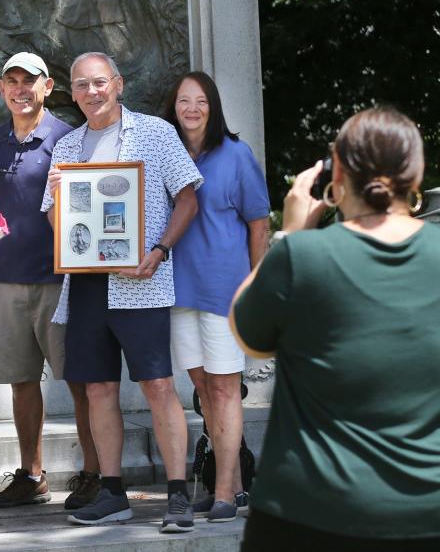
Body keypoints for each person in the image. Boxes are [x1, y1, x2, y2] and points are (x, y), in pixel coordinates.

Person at [231, 108, 440, 551]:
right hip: (425, 512)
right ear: (416, 174)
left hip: (308, 514)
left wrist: (289, 234)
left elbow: (246, 334)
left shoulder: (302, 257)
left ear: (337, 170)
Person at [42, 52, 202, 532]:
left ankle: (177, 495)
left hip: (142, 281)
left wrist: (160, 248)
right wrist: (58, 195)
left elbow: (188, 197)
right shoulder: (67, 148)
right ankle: (112, 493)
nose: (92, 92)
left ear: (118, 84)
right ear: (72, 93)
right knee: (97, 389)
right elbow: (57, 222)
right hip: (86, 283)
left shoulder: (155, 132)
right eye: (82, 86)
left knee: (157, 385)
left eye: (100, 83)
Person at [0, 52, 100, 510]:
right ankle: (32, 476)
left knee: (80, 381)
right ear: (1, 88)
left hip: (60, 279)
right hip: (9, 280)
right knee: (22, 382)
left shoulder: (69, 140)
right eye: (11, 81)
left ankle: (93, 472)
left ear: (48, 87)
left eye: (29, 81)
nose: (19, 89)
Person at [160, 71, 269, 521]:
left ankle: (224, 491)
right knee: (203, 388)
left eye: (200, 101)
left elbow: (259, 223)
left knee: (226, 388)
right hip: (178, 290)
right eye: (184, 101)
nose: (191, 109)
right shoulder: (164, 155)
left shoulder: (237, 155)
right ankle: (237, 487)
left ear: (214, 106)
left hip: (226, 291)